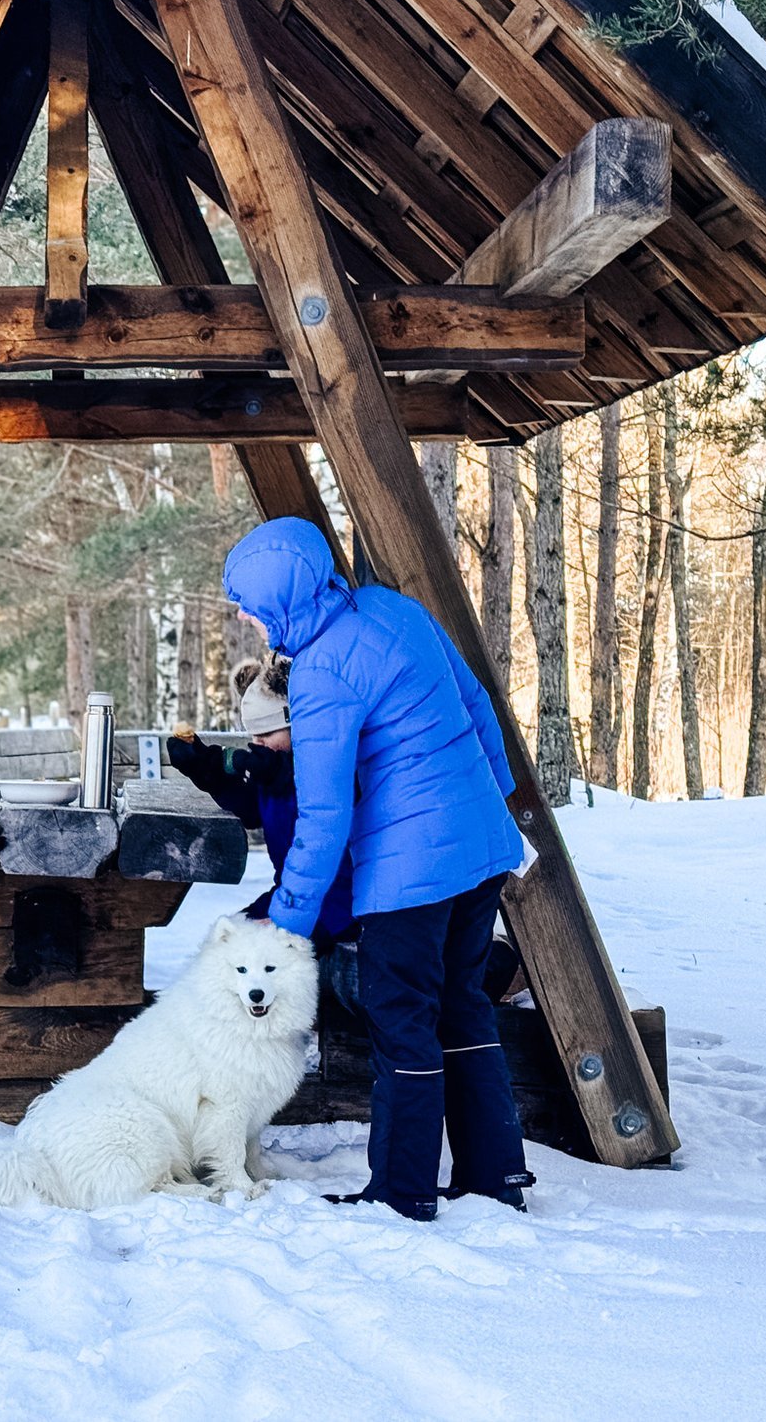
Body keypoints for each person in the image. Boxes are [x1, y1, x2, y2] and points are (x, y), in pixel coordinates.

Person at [221, 516, 533, 1221]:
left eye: (247, 600)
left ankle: (401, 1192)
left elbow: (324, 819)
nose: (243, 613)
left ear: (280, 599)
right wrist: (494, 796)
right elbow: (479, 705)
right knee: (462, 1003)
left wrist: (286, 927)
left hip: (410, 873)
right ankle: (495, 1175)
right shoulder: (394, 609)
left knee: (403, 1022)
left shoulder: (324, 673)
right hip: (480, 844)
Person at [166, 656, 356, 949]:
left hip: (335, 907)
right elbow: (252, 812)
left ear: (298, 725)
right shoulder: (272, 769)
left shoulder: (331, 771)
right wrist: (205, 770)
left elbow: (339, 860)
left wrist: (288, 923)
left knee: (250, 954)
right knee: (220, 945)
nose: (259, 743)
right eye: (254, 734)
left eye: (267, 733)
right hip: (288, 896)